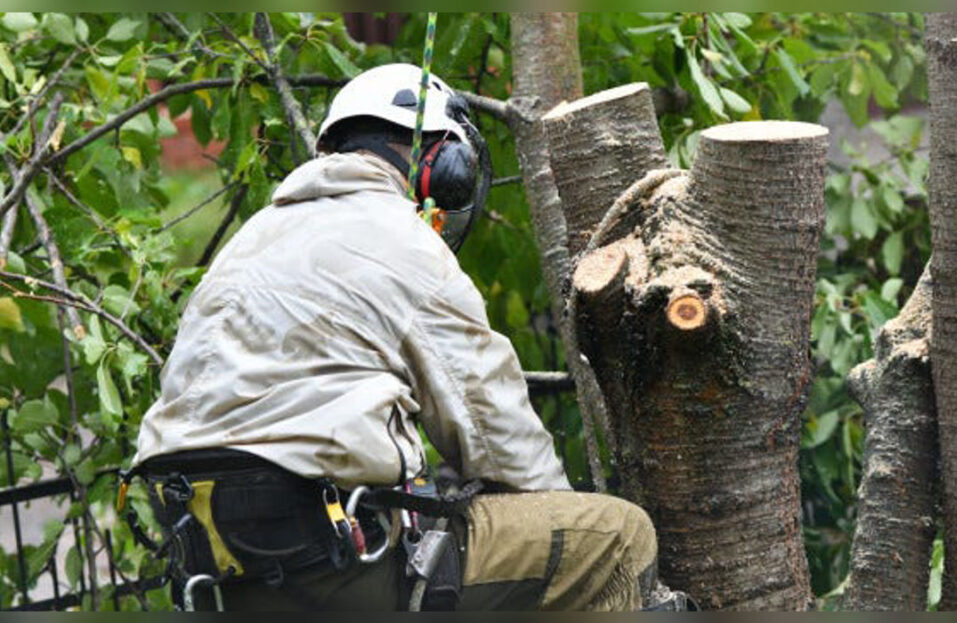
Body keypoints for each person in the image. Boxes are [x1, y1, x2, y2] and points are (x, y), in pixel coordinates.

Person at [127, 63, 668, 611]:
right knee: (615, 539)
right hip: (336, 565)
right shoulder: (403, 239)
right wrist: (561, 519)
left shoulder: (251, 240)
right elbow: (497, 429)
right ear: (445, 165)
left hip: (216, 574)